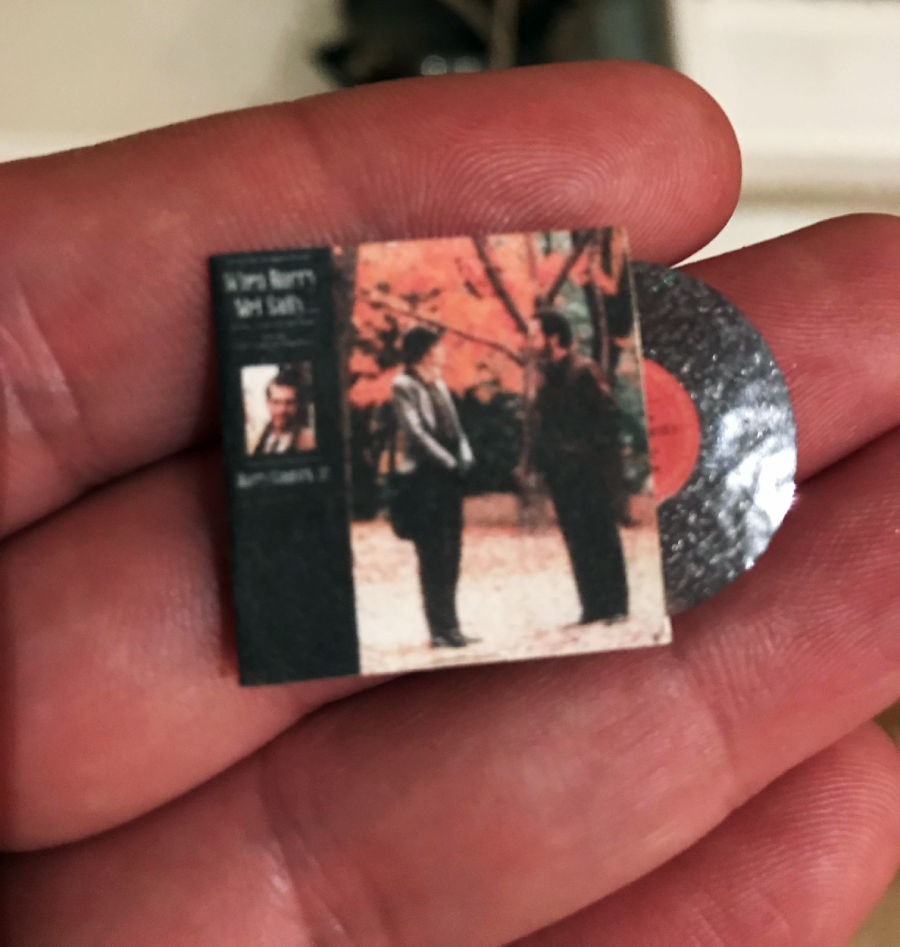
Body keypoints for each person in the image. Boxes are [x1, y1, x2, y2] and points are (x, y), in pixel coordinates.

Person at [4, 62, 900, 946]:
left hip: (479, 502)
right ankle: (453, 612)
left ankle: (460, 613)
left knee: (460, 572)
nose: (434, 356)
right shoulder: (411, 389)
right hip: (414, 500)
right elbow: (425, 440)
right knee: (442, 570)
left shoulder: (507, 382)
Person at [528, 309, 630, 624]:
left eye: (534, 335)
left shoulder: (584, 371)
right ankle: (592, 606)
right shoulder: (548, 378)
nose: (529, 342)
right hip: (562, 478)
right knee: (576, 539)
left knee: (601, 537)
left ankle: (615, 606)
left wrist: (584, 456)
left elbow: (608, 420)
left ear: (553, 338)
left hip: (590, 474)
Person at [391, 327, 476, 648]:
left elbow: (457, 429)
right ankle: (438, 629)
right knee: (432, 554)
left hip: (449, 480)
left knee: (452, 551)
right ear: (425, 351)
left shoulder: (439, 384)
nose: (443, 351)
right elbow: (417, 434)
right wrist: (448, 461)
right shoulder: (403, 385)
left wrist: (465, 457)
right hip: (424, 480)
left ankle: (453, 625)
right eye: (438, 347)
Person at [249, 365, 315, 455]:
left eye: (289, 403)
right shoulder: (259, 437)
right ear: (268, 403)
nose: (282, 410)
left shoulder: (308, 442)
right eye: (276, 402)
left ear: (297, 405)